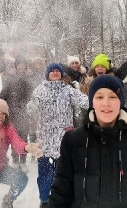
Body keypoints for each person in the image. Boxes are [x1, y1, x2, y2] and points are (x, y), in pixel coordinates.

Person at [49, 75, 127, 208]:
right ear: (92, 102)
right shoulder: (72, 140)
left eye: (112, 97)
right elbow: (61, 191)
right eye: (99, 97)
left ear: (121, 102)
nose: (106, 103)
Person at [27, 63, 89, 208]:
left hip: (65, 141)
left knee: (65, 175)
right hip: (45, 142)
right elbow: (30, 110)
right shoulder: (39, 90)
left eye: (57, 71)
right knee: (45, 177)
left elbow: (86, 102)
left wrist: (102, 101)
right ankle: (44, 201)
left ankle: (65, 200)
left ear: (62, 74)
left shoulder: (68, 90)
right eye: (52, 71)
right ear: (47, 74)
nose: (55, 73)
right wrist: (32, 103)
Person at [0, 56, 33, 173]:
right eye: (19, 64)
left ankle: (23, 161)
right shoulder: (10, 78)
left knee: (24, 137)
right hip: (13, 112)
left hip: (26, 112)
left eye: (23, 64)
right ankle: (15, 160)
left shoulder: (30, 78)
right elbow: (3, 93)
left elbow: (34, 94)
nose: (21, 66)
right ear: (16, 66)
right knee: (14, 137)